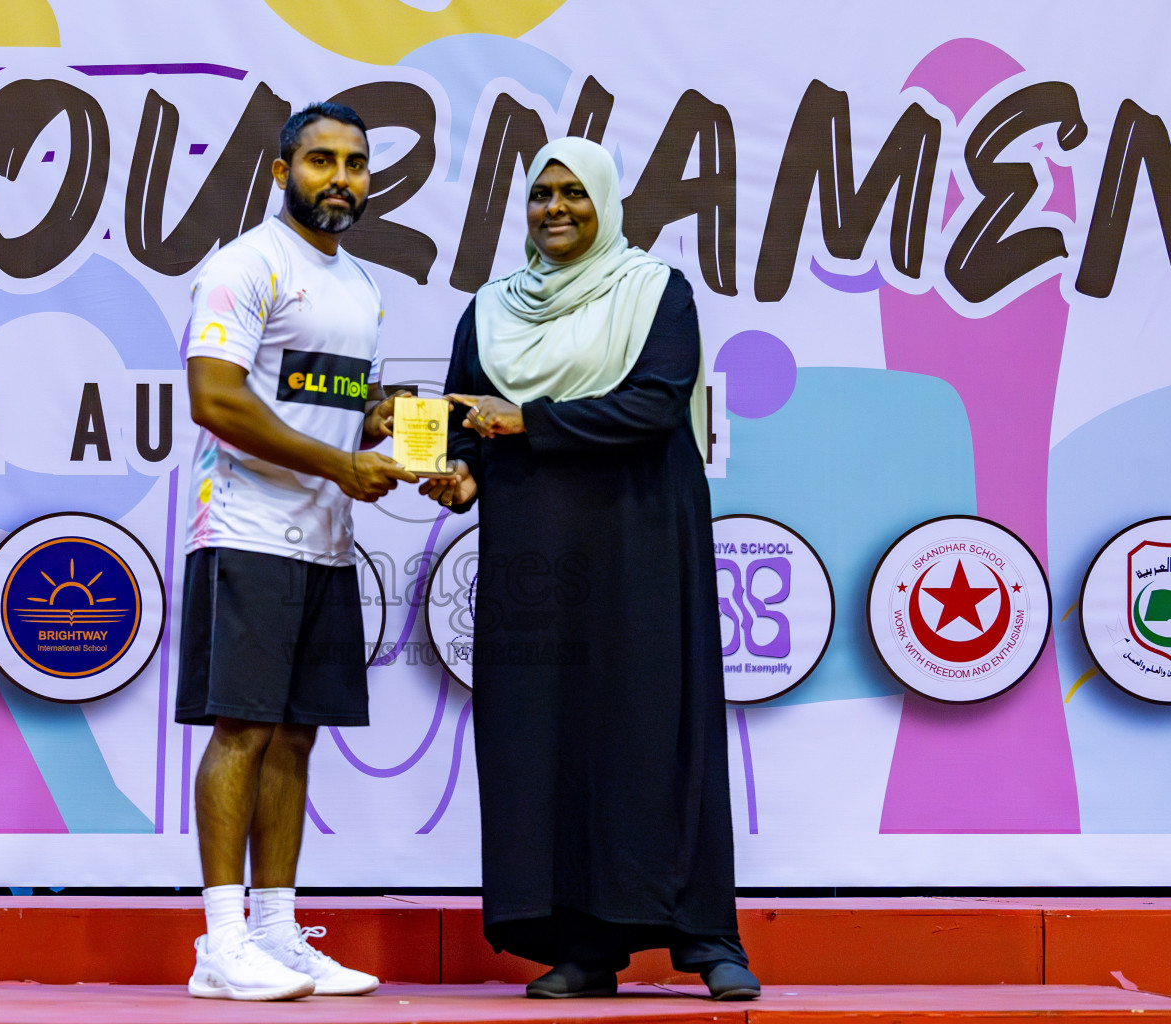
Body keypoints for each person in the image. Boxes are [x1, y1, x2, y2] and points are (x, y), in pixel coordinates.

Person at [421, 136, 761, 1001]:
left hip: (640, 537)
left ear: (605, 203)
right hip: (534, 553)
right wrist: (458, 472)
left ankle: (705, 938)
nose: (556, 210)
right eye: (541, 196)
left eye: (574, 194)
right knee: (546, 737)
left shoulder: (652, 290)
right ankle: (580, 945)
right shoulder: (490, 309)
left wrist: (523, 424)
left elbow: (654, 403)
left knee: (655, 725)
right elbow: (467, 421)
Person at [177, 101, 416, 1001]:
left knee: (296, 735)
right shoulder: (244, 266)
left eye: (355, 163)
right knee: (241, 728)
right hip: (244, 528)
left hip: (325, 539)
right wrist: (339, 461)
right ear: (282, 172)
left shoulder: (360, 285)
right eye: (321, 161)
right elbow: (219, 401)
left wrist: (400, 437)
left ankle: (276, 933)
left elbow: (336, 404)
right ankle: (220, 942)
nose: (341, 178)